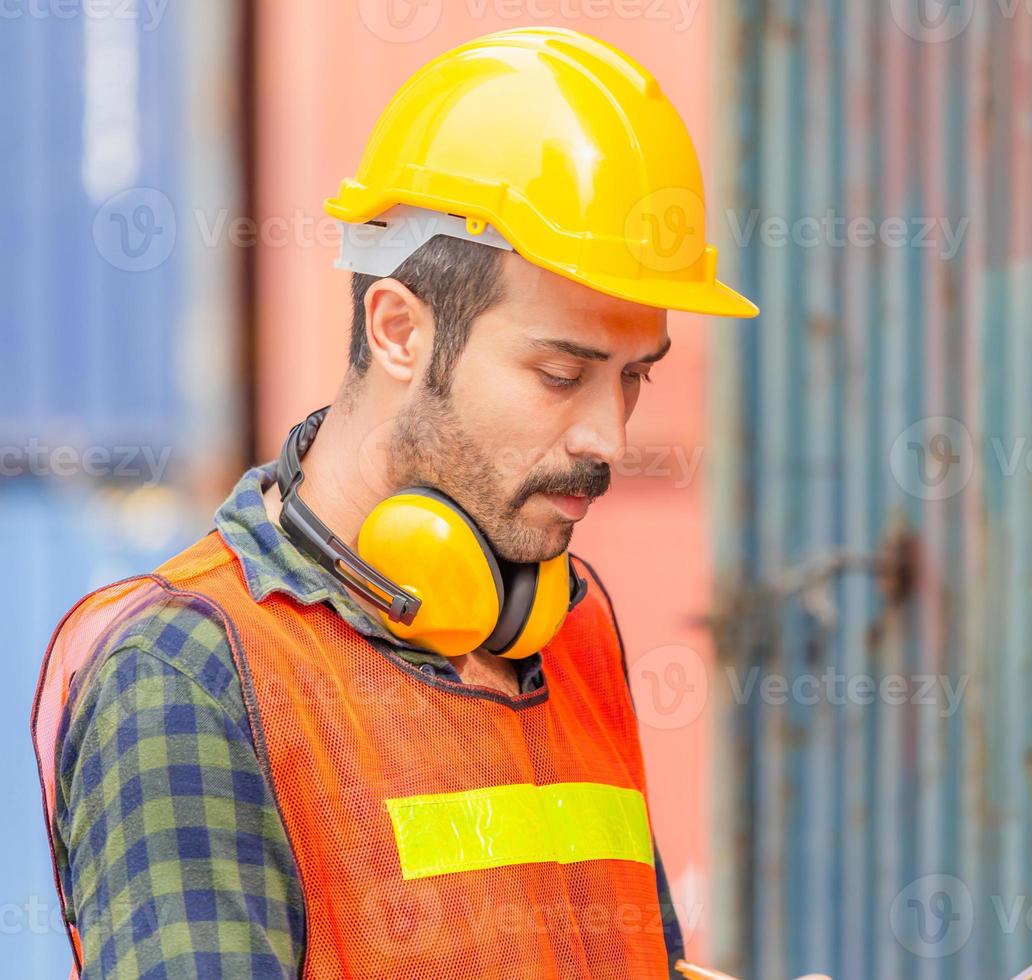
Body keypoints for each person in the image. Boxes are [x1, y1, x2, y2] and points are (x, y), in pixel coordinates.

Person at [32, 27, 757, 978]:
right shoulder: (189, 680)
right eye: (558, 374)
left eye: (634, 380)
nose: (607, 438)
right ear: (400, 330)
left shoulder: (565, 624)